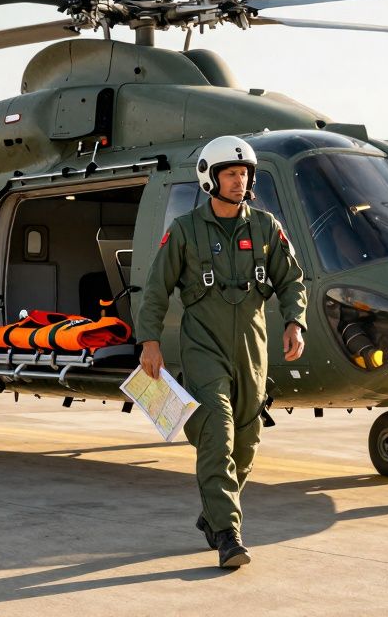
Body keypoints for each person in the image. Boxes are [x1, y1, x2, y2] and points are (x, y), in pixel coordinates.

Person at [136, 135, 307, 568]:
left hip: (252, 346)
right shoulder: (185, 231)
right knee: (218, 433)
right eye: (230, 174)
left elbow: (291, 280)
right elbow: (156, 289)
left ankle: (212, 515)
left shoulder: (266, 228)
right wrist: (150, 342)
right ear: (210, 179)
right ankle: (228, 534)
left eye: (244, 173)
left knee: (247, 441)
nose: (239, 181)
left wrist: (294, 321)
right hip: (203, 345)